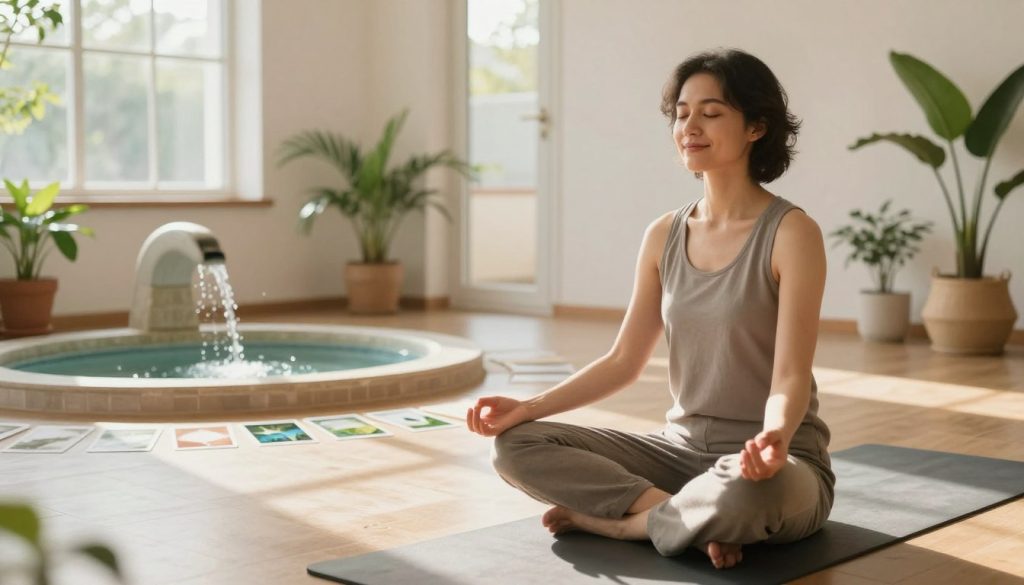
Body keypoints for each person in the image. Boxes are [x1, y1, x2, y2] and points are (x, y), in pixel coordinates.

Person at [466, 48, 834, 570]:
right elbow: (623, 361)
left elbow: (791, 374)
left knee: (745, 494)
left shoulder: (792, 233)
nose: (690, 127)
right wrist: (528, 408)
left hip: (772, 464)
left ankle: (621, 523)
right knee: (514, 446)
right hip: (677, 455)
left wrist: (773, 437)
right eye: (681, 114)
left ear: (756, 127)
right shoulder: (663, 234)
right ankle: (686, 518)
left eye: (711, 113)